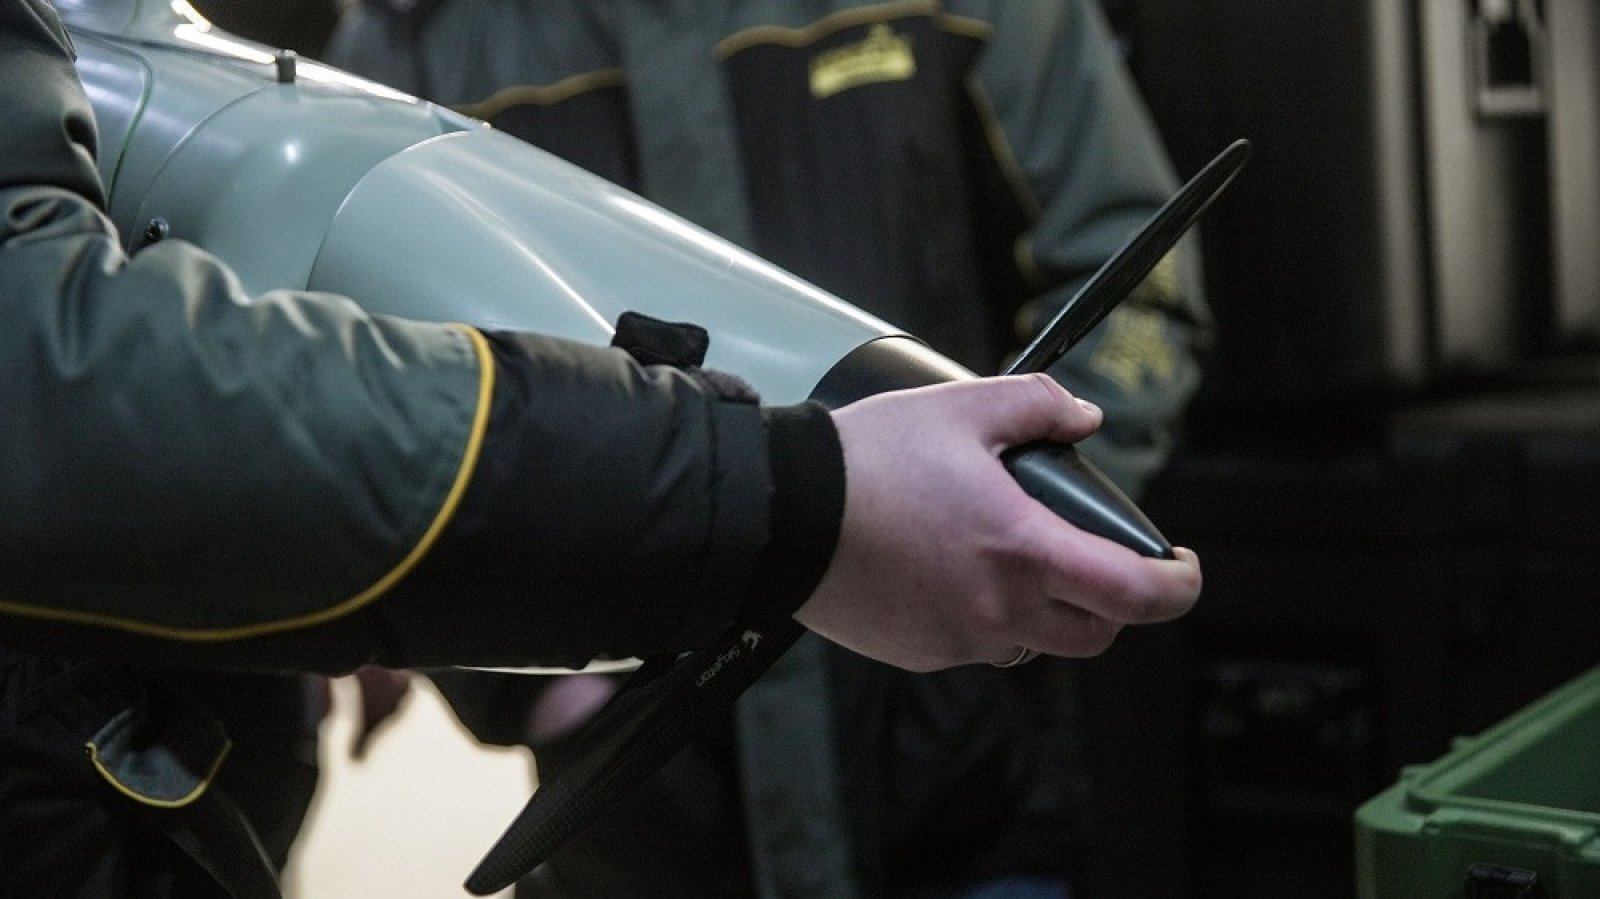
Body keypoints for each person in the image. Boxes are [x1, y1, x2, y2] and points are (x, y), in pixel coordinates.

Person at [0, 1, 1201, 897]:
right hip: (636, 812)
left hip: (960, 771)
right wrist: (535, 695)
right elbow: (342, 374)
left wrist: (1032, 539)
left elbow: (1133, 284)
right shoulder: (410, 39)